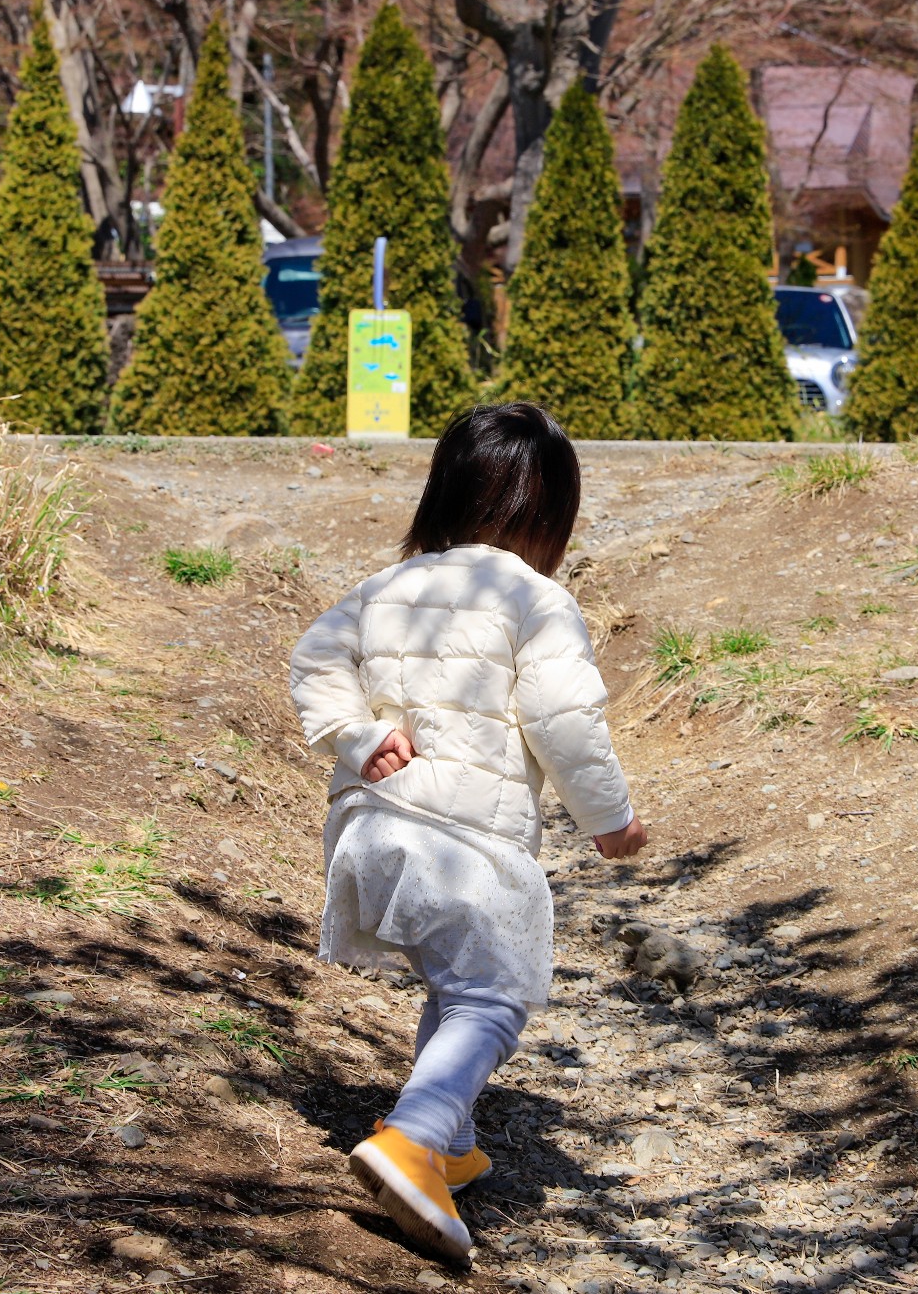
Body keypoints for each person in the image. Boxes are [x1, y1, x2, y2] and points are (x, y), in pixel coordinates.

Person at [289, 403, 647, 1261]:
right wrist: (610, 819)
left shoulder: (383, 585)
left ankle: (445, 1142)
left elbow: (313, 658)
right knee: (493, 994)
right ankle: (412, 1135)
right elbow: (565, 721)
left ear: (443, 492)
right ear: (549, 516)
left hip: (372, 832)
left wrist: (362, 736)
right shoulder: (538, 597)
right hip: (462, 841)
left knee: (455, 984)